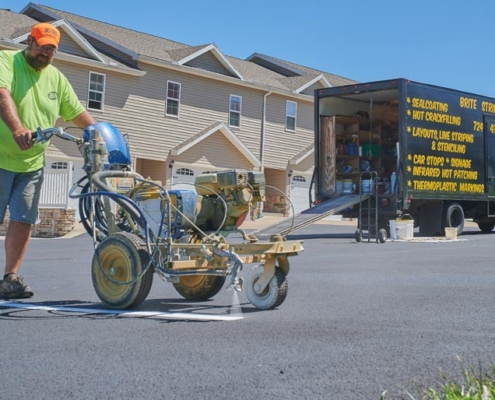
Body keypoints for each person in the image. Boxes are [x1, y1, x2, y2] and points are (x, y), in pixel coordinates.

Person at [0, 23, 96, 298]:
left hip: (31, 162)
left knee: (23, 219)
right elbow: (2, 93)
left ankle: (10, 279)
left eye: (51, 50)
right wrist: (17, 127)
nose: (45, 54)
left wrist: (101, 135)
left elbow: (76, 112)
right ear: (30, 42)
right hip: (0, 156)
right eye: (41, 46)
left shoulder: (55, 77)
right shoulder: (7, 61)